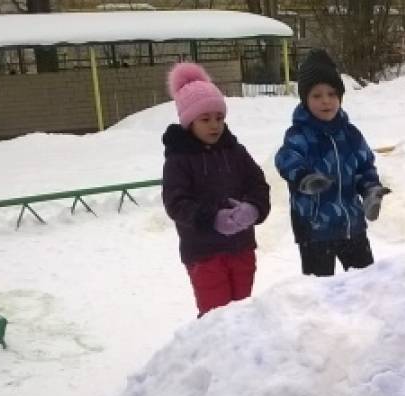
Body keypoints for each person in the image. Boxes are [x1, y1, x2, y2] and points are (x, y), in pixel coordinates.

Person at [162, 62, 270, 317]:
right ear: (189, 121)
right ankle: (217, 356)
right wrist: (213, 218)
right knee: (216, 315)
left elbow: (258, 184)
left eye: (219, 118)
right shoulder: (179, 159)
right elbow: (176, 202)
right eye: (205, 119)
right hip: (204, 254)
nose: (214, 125)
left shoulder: (235, 151)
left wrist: (252, 209)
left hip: (241, 247)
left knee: (243, 310)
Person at [275, 49, 390, 277]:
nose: (325, 101)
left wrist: (370, 189)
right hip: (314, 229)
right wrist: (304, 178)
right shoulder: (299, 135)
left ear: (340, 98)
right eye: (316, 95)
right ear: (305, 100)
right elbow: (286, 159)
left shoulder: (351, 135)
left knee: (367, 283)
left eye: (332, 94)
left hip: (352, 225)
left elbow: (365, 166)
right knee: (321, 293)